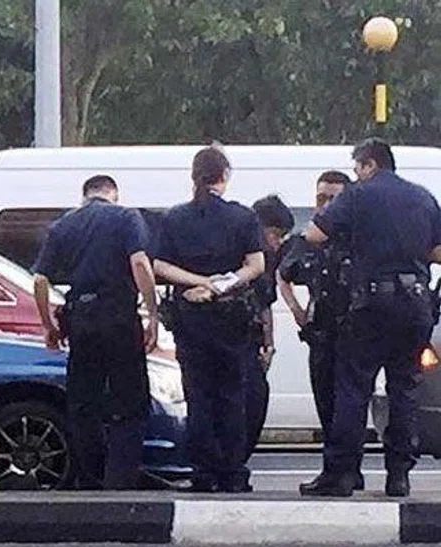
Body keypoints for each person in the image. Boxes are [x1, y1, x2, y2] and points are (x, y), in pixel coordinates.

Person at [300, 139, 441, 497]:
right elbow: (438, 251)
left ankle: (342, 475)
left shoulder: (358, 195)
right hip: (414, 306)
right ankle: (399, 476)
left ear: (369, 165)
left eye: (357, 168)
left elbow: (315, 234)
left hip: (370, 306)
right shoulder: (423, 198)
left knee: (353, 387)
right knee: (404, 389)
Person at [32, 174, 159, 490]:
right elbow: (141, 265)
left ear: (85, 195)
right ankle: (120, 478)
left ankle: (91, 475)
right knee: (129, 401)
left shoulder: (63, 225)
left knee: (83, 403)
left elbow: (39, 281)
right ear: (112, 193)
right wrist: (153, 314)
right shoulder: (127, 217)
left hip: (81, 320)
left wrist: (49, 325)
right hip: (118, 315)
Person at [153, 146, 265, 493]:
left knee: (198, 395)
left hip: (190, 317)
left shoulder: (174, 218)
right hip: (231, 318)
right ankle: (232, 472)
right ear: (225, 177)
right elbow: (256, 265)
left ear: (194, 176)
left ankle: (203, 471)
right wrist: (220, 285)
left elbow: (159, 266)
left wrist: (198, 283)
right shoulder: (243, 218)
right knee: (231, 395)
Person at [277, 171, 364, 490]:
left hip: (354, 330)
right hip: (321, 332)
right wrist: (297, 311)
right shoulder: (306, 241)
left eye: (333, 198)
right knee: (327, 402)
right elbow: (283, 274)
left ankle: (345, 470)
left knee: (350, 401)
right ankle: (337, 469)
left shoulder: (359, 239)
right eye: (320, 198)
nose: (325, 205)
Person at [244, 195, 294, 460]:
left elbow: (266, 303)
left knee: (256, 396)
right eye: (275, 234)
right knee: (250, 399)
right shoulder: (245, 254)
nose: (277, 243)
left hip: (253, 339)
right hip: (237, 336)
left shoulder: (267, 259)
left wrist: (269, 345)